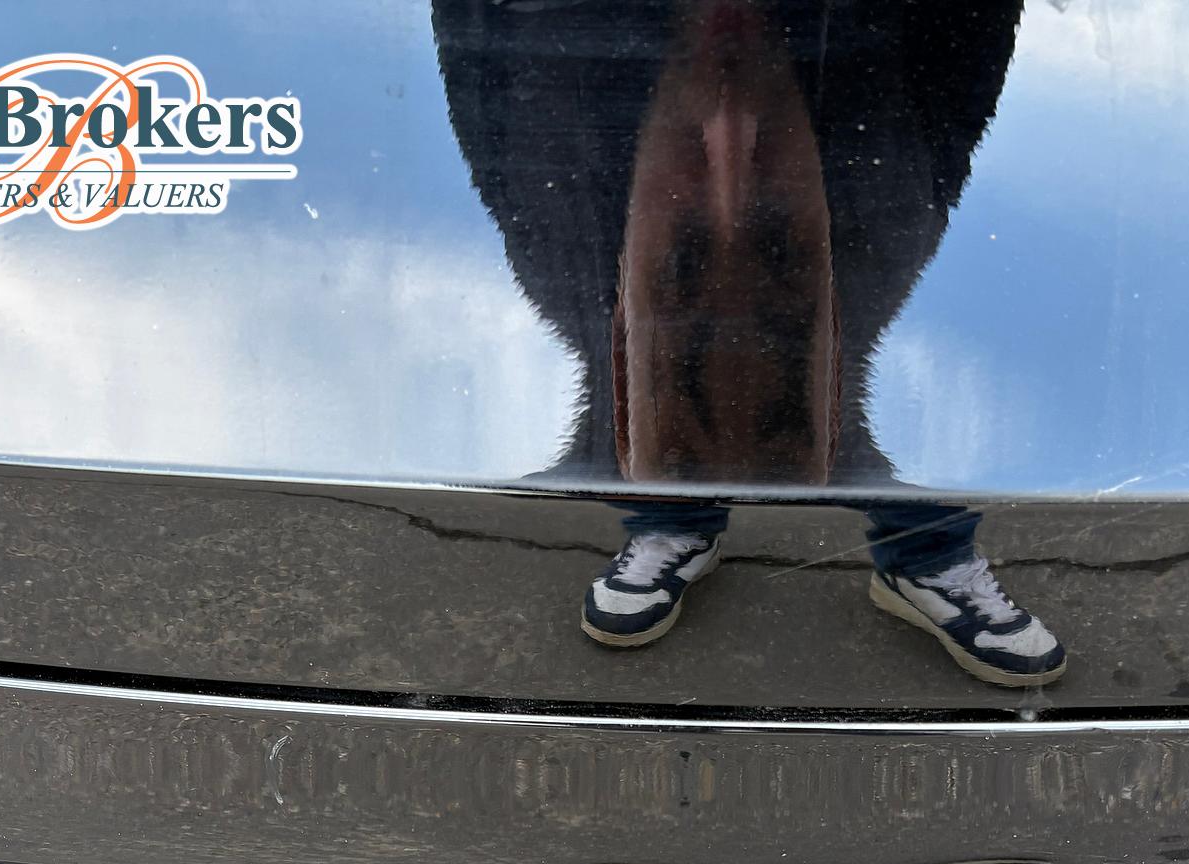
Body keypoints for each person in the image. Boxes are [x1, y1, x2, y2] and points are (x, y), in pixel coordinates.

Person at [435, 0, 1065, 685]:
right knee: (722, 370)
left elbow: (486, 54)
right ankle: (675, 516)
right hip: (798, 75)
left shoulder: (556, 237)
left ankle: (924, 550)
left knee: (731, 365)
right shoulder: (884, 229)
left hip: (817, 53)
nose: (730, 155)